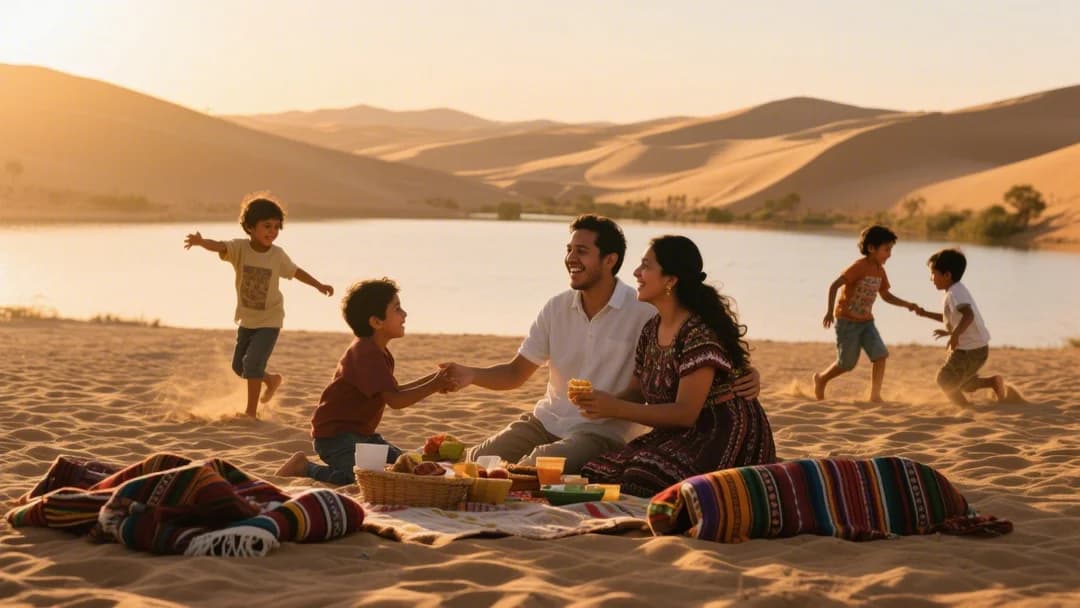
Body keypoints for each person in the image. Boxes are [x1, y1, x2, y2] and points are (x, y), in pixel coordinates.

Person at [440, 215, 760, 474]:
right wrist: (471, 374)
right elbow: (515, 374)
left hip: (605, 430)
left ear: (610, 260)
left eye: (581, 251)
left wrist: (746, 373)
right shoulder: (556, 307)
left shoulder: (646, 311)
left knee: (532, 468)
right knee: (476, 462)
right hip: (547, 419)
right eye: (569, 249)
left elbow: (700, 350)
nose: (570, 258)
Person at [573, 235, 776, 497]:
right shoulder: (651, 329)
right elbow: (637, 393)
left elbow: (685, 413)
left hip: (720, 434)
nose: (636, 272)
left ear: (671, 280)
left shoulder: (697, 333)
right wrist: (600, 403)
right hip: (679, 434)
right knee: (598, 471)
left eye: (646, 266)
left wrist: (617, 408)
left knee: (642, 475)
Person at [275, 279, 454, 485]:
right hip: (336, 438)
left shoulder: (377, 350)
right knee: (365, 479)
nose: (404, 314)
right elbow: (396, 401)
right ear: (376, 322)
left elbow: (393, 391)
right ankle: (304, 467)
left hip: (363, 436)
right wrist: (435, 385)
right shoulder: (366, 354)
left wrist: (436, 378)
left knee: (408, 465)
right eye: (397, 309)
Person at [184, 193, 333, 418]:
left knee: (252, 364)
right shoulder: (240, 249)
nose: (272, 232)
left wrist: (318, 285)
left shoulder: (277, 255)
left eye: (276, 227)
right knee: (240, 368)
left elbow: (296, 272)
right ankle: (271, 380)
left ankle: (250, 412)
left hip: (270, 320)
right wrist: (201, 242)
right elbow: (219, 246)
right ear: (250, 227)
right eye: (266, 226)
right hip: (247, 320)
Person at [813, 225, 919, 402]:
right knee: (847, 364)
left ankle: (875, 395)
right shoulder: (859, 267)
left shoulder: (880, 271)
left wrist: (907, 304)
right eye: (886, 250)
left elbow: (885, 295)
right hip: (847, 322)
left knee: (880, 356)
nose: (889, 254)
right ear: (871, 248)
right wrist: (829, 312)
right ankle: (821, 379)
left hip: (866, 323)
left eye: (890, 249)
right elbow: (834, 285)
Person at [913, 249, 1006, 405]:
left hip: (970, 350)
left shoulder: (955, 293)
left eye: (933, 274)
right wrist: (925, 314)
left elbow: (968, 316)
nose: (931, 279)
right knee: (961, 383)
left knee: (944, 380)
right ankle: (993, 382)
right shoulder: (955, 290)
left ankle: (966, 408)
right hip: (976, 348)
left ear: (947, 275)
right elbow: (952, 317)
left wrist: (955, 335)